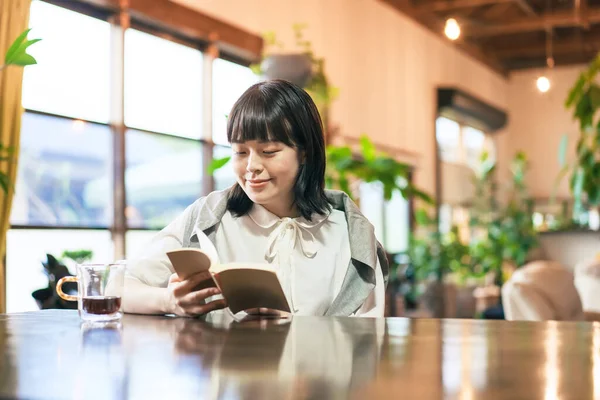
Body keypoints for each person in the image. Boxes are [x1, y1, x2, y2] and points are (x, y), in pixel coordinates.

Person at [123, 79, 388, 318]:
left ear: (305, 153)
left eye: (269, 151)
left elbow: (366, 342)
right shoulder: (208, 219)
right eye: (240, 152)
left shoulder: (350, 233)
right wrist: (170, 302)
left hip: (319, 373)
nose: (251, 166)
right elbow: (120, 287)